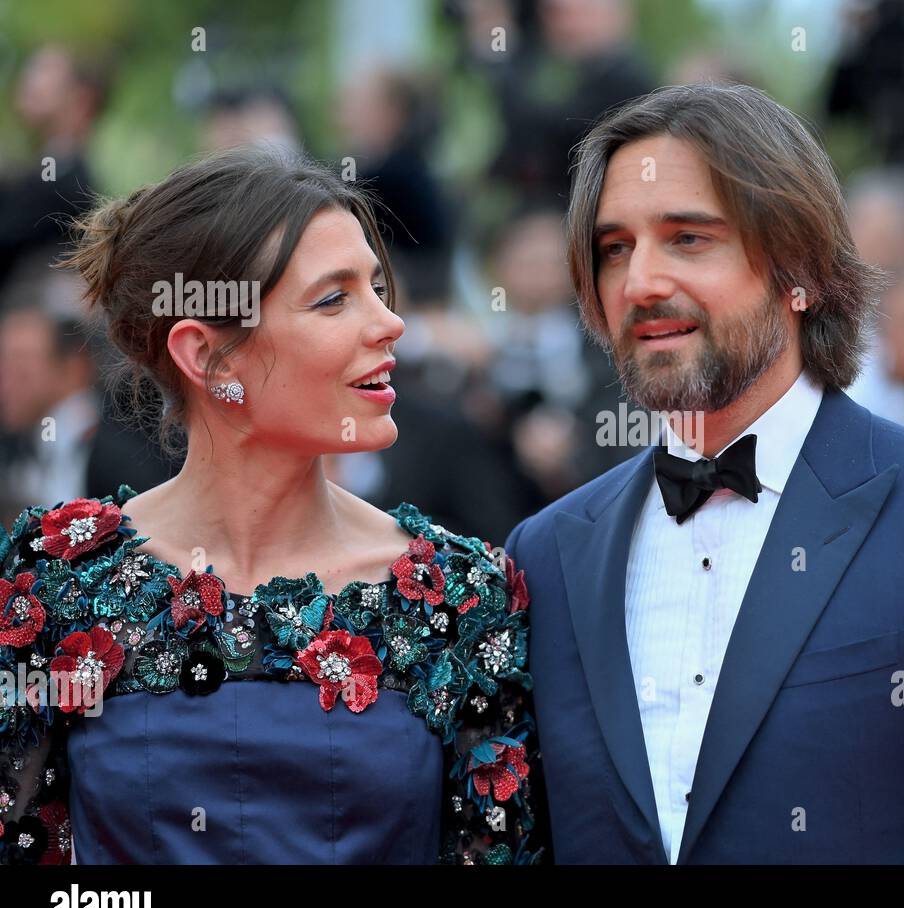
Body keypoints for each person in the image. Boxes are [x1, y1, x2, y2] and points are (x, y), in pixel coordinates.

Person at [506, 83, 904, 863]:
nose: (642, 282)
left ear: (800, 269)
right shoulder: (546, 555)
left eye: (689, 238)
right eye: (615, 248)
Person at [0, 147, 541, 865]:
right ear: (209, 358)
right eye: (333, 298)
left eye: (378, 289)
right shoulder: (57, 575)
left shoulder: (462, 595)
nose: (391, 324)